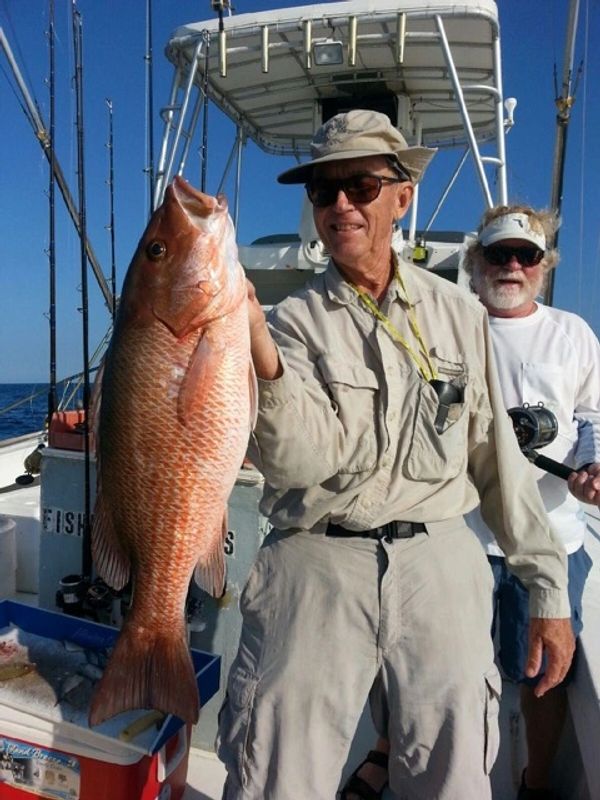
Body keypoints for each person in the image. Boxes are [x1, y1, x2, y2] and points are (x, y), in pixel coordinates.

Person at [216, 110, 575, 800]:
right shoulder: (287, 322)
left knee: (455, 769)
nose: (341, 205)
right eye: (324, 192)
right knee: (276, 773)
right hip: (313, 560)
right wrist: (260, 353)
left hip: (440, 562)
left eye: (361, 186)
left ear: (402, 195)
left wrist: (547, 590)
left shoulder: (461, 314)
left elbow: (496, 459)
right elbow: (295, 461)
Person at [344, 205, 600, 800]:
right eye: (498, 254)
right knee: (418, 660)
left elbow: (592, 416)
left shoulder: (573, 335)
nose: (512, 265)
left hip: (550, 536)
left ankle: (534, 780)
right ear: (475, 262)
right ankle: (387, 750)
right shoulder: (447, 327)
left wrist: (592, 465)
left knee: (540, 670)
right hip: (449, 535)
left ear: (543, 265)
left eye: (526, 255)